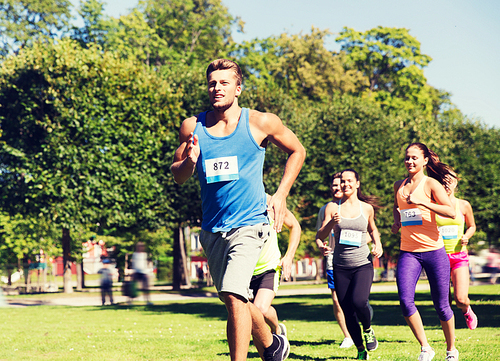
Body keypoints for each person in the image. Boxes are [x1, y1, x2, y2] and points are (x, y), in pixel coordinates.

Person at [170, 58, 306, 361]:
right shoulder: (193, 127)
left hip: (251, 224)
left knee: (233, 294)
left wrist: (281, 193)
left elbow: (298, 151)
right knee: (235, 300)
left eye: (224, 82)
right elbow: (177, 175)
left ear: (238, 87)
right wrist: (189, 162)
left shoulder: (260, 122)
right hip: (213, 230)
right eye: (212, 83)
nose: (216, 88)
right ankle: (272, 346)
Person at [391, 142, 459, 361]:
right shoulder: (398, 185)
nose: (409, 161)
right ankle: (425, 347)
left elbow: (449, 210)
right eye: (407, 157)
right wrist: (396, 223)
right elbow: (397, 207)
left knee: (441, 305)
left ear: (425, 161)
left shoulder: (430, 184)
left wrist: (424, 202)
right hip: (408, 252)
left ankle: (451, 350)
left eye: (414, 158)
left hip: (433, 251)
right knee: (405, 300)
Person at [316, 169, 383, 360]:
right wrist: (331, 224)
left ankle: (368, 329)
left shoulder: (366, 208)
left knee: (359, 301)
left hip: (362, 263)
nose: (346, 184)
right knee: (347, 309)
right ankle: (361, 349)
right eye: (343, 181)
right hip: (340, 266)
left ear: (357, 183)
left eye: (349, 181)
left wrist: (378, 245)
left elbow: (372, 228)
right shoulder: (332, 207)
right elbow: (320, 236)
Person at [251, 194, 301, 359]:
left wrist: (289, 256)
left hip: (269, 267)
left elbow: (295, 226)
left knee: (260, 309)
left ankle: (277, 331)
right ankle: (267, 357)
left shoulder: (271, 202)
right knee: (252, 319)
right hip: (244, 270)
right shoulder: (236, 198)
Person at [315, 172, 354, 349]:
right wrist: (321, 246)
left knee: (356, 300)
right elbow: (318, 235)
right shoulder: (325, 209)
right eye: (334, 185)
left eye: (341, 185)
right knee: (337, 299)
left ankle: (363, 325)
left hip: (354, 258)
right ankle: (347, 335)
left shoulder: (355, 207)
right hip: (333, 259)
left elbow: (369, 235)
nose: (338, 188)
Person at [436, 174, 477, 329]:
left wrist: (466, 236)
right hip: (438, 257)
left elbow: (472, 226)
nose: (446, 185)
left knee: (460, 298)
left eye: (449, 181)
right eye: (442, 182)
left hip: (459, 256)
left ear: (455, 183)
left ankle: (467, 310)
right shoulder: (434, 206)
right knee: (444, 302)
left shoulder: (463, 205)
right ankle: (449, 332)